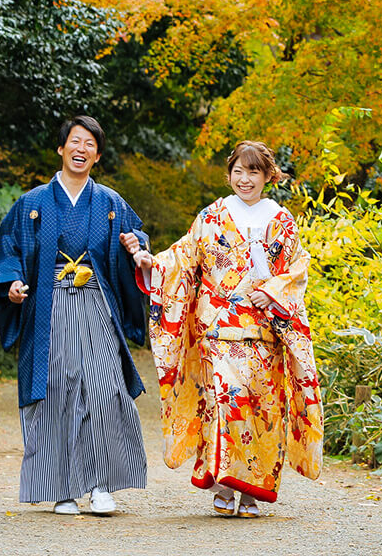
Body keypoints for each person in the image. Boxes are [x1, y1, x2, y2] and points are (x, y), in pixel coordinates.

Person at [123, 140, 322, 518]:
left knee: (260, 408)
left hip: (264, 329)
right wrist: (153, 263)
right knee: (224, 399)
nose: (244, 179)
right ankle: (222, 482)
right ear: (229, 173)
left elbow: (297, 268)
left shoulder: (280, 219)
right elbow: (183, 258)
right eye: (238, 171)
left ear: (267, 176)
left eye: (253, 172)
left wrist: (272, 291)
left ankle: (251, 491)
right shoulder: (212, 215)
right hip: (216, 327)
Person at [0, 115, 150, 515]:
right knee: (57, 387)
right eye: (74, 141)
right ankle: (62, 489)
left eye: (89, 144)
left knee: (106, 387)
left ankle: (100, 485)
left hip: (95, 302)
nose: (81, 149)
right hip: (49, 303)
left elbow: (137, 241)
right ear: (61, 149)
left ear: (97, 154)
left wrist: (137, 246)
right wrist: (12, 284)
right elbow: (8, 252)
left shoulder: (111, 203)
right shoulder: (33, 203)